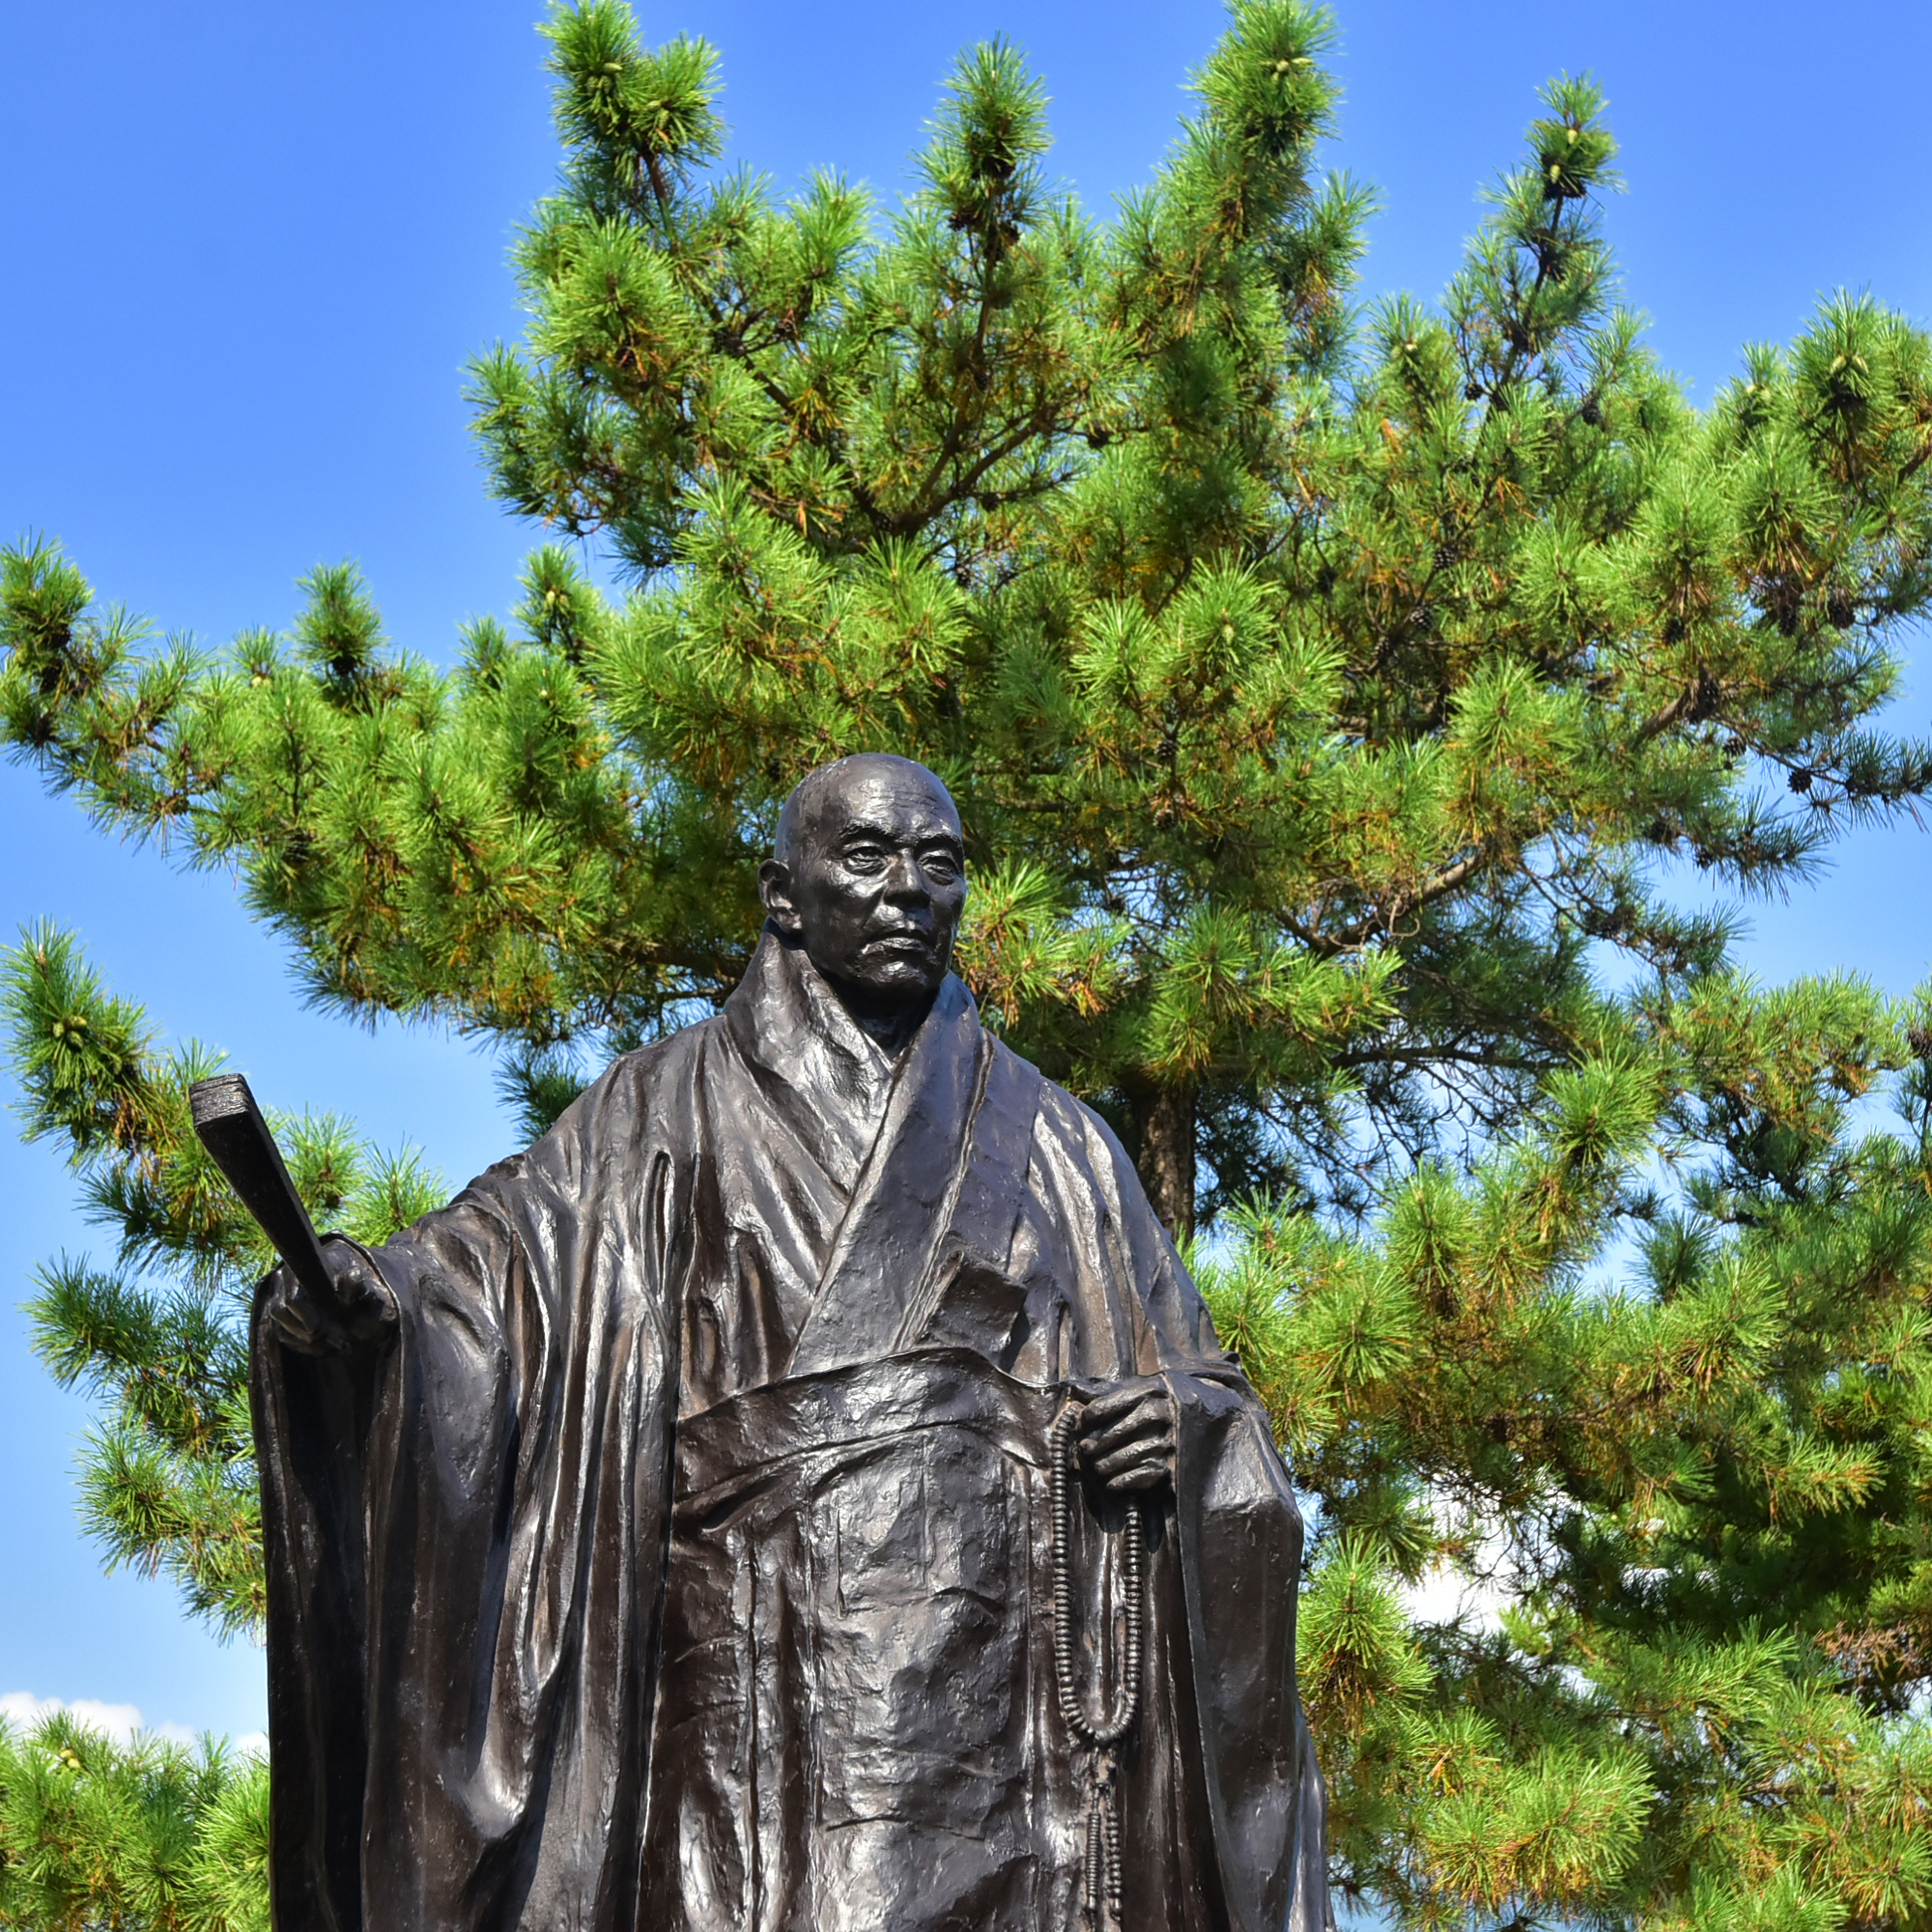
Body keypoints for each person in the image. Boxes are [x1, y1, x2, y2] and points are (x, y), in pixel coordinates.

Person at [253, 753, 1330, 1932]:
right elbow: (498, 1265)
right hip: (734, 1730)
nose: (907, 889)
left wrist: (1187, 1429)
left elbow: (1207, 1404)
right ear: (782, 893)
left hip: (1012, 1749)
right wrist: (381, 1312)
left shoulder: (1063, 1147)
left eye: (939, 862)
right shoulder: (658, 1108)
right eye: (866, 856)